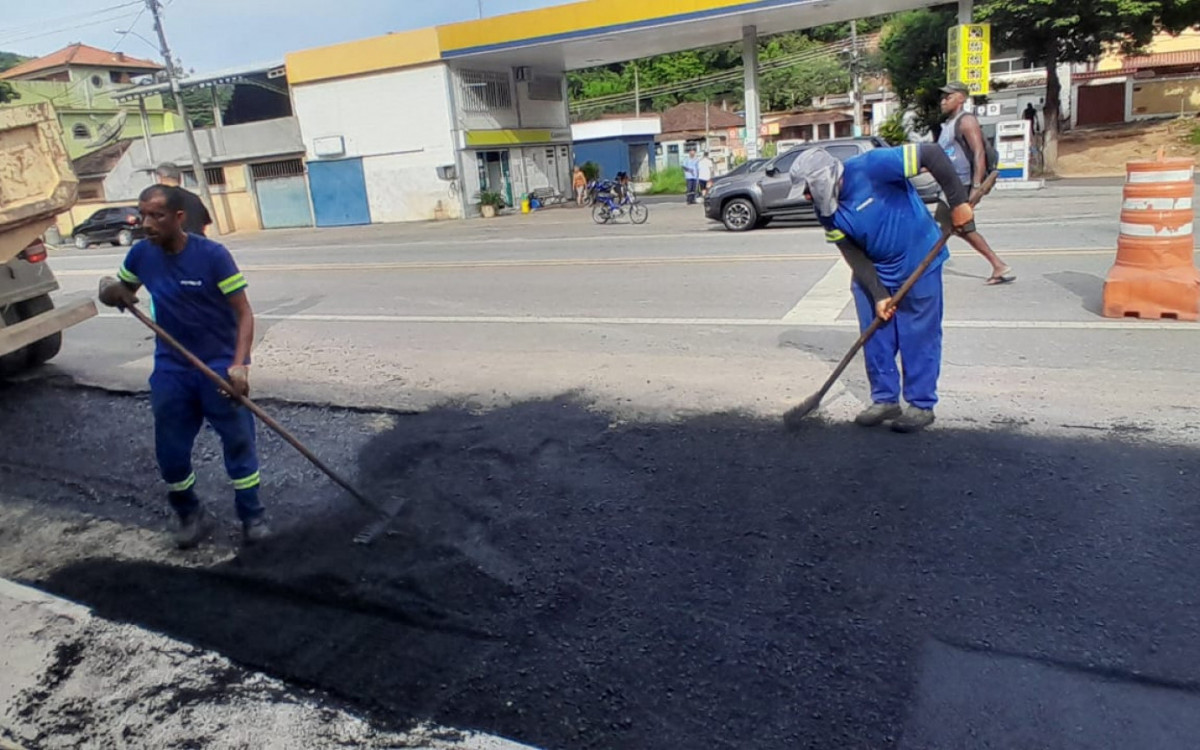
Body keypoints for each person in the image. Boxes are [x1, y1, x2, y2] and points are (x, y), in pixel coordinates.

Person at [98, 184, 268, 548]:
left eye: (157, 215)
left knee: (238, 443)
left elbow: (244, 312)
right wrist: (110, 292)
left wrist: (239, 366)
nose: (147, 223)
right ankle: (190, 514)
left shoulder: (212, 256)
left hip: (219, 366)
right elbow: (119, 288)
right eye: (143, 214)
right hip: (172, 369)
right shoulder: (142, 254)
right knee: (171, 452)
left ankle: (252, 516)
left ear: (179, 218)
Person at [789, 143, 975, 433]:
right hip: (874, 271)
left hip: (919, 261)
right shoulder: (824, 210)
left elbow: (931, 154)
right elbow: (851, 252)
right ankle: (885, 399)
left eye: (808, 188)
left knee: (919, 335)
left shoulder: (872, 166)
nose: (806, 196)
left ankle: (921, 405)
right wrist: (878, 295)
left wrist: (959, 202)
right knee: (875, 335)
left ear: (825, 178)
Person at [938, 81, 1015, 286]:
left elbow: (978, 152)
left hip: (961, 185)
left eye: (949, 96)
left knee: (951, 227)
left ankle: (922, 270)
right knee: (955, 228)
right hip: (951, 184)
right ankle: (998, 265)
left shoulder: (966, 120)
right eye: (943, 97)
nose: (943, 100)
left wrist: (976, 187)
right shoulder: (949, 124)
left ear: (961, 98)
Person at [155, 162, 213, 237]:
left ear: (160, 178)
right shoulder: (194, 198)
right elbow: (204, 224)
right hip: (198, 243)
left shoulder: (159, 200)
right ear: (180, 178)